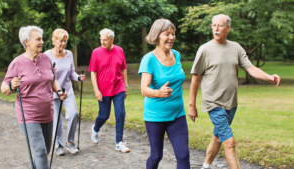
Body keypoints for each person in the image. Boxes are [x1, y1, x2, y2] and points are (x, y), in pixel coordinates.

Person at [188, 14, 281, 169]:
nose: (216, 29)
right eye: (213, 25)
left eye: (220, 25)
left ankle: (205, 166)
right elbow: (195, 79)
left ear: (228, 28)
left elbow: (250, 68)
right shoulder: (204, 50)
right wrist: (192, 105)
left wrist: (268, 77)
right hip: (214, 103)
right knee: (229, 143)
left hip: (231, 103)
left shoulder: (236, 47)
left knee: (218, 137)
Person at [0, 25, 67, 169]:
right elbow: (4, 88)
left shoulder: (46, 59)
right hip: (29, 115)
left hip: (48, 113)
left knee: (45, 151)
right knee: (40, 152)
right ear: (27, 42)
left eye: (42, 39)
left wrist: (60, 92)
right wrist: (12, 86)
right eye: (38, 39)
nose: (42, 42)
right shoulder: (17, 63)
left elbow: (53, 79)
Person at [138, 19, 190, 169]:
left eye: (173, 34)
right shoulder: (148, 59)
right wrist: (158, 92)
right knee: (156, 156)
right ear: (157, 35)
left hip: (177, 115)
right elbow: (144, 90)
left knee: (183, 155)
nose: (171, 38)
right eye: (167, 34)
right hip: (155, 116)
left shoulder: (176, 55)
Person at [44, 29, 86, 156]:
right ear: (54, 40)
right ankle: (58, 145)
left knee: (74, 114)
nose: (63, 44)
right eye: (61, 41)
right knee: (57, 120)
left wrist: (78, 77)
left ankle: (70, 142)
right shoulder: (46, 55)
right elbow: (43, 75)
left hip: (67, 90)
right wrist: (50, 72)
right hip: (53, 92)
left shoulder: (69, 54)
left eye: (65, 41)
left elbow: (72, 72)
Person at [88, 28, 130, 153]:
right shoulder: (96, 52)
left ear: (112, 39)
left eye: (105, 40)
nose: (102, 42)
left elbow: (124, 69)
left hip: (118, 87)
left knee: (120, 113)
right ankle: (95, 129)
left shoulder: (120, 50)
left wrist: (126, 86)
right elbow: (93, 72)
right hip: (103, 89)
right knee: (104, 115)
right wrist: (96, 90)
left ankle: (119, 142)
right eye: (101, 39)